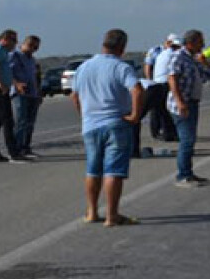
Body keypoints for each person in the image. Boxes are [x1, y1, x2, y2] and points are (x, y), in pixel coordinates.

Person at [71, 29, 143, 227]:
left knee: (93, 169)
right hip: (115, 122)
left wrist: (84, 115)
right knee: (114, 171)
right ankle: (112, 215)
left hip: (91, 124)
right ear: (122, 47)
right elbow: (137, 89)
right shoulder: (120, 67)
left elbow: (74, 95)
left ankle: (92, 211)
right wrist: (135, 115)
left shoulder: (84, 67)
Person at [168, 29, 210, 187]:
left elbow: (205, 73)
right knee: (186, 140)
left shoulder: (192, 59)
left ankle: (189, 173)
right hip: (182, 104)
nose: (203, 45)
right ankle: (182, 176)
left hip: (192, 102)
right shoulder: (179, 57)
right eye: (200, 42)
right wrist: (180, 102)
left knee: (190, 140)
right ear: (190, 43)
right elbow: (172, 79)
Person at [132, 34, 180, 157]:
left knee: (161, 110)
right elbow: (148, 66)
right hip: (158, 84)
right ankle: (135, 148)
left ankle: (168, 133)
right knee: (154, 112)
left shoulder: (164, 53)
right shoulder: (168, 53)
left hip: (154, 84)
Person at [0, 29, 29, 163]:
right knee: (7, 122)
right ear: (5, 39)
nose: (15, 44)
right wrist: (1, 83)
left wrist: (13, 83)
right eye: (14, 41)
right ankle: (13, 153)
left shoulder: (3, 51)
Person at [11, 35, 42, 159]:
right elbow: (8, 73)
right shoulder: (15, 56)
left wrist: (39, 93)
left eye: (36, 47)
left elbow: (35, 77)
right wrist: (16, 84)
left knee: (30, 122)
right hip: (20, 93)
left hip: (33, 94)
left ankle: (26, 147)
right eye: (31, 45)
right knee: (21, 121)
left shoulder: (32, 60)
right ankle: (17, 149)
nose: (33, 48)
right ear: (23, 44)